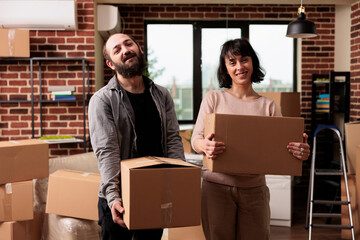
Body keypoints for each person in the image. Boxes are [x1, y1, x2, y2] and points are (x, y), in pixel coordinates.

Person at [191, 38, 310, 240]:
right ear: (225, 68)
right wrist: (205, 145)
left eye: (244, 60)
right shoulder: (213, 98)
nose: (239, 67)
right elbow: (196, 139)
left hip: (255, 191)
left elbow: (284, 149)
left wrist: (300, 152)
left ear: (252, 62)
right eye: (232, 62)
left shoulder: (268, 106)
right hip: (216, 189)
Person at [88, 33, 185, 240]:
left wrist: (178, 182)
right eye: (117, 50)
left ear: (139, 48)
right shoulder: (102, 100)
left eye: (128, 44)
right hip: (119, 198)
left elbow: (173, 139)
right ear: (110, 64)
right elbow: (107, 152)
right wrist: (113, 198)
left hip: (153, 193)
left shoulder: (161, 94)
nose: (125, 50)